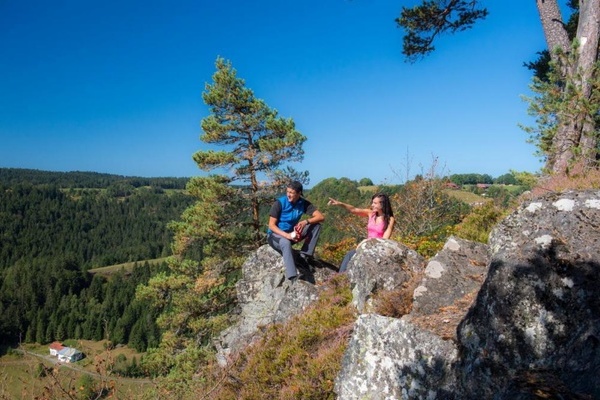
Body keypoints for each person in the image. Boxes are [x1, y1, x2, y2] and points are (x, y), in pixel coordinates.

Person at [267, 181, 325, 282]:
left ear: (299, 194)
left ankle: (305, 256)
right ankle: (292, 276)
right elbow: (271, 225)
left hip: (292, 234)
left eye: (291, 192)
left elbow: (320, 217)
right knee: (285, 242)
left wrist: (306, 221)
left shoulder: (303, 203)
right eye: (287, 192)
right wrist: (286, 235)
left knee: (316, 225)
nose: (288, 194)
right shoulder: (280, 203)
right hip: (275, 236)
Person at [327, 193, 395, 273]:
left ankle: (341, 277)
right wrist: (340, 204)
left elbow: (384, 240)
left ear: (383, 204)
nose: (372, 205)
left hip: (377, 248)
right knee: (350, 255)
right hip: (366, 246)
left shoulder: (390, 219)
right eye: (372, 202)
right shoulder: (371, 214)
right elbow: (354, 209)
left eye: (375, 203)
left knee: (352, 255)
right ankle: (340, 277)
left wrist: (367, 241)